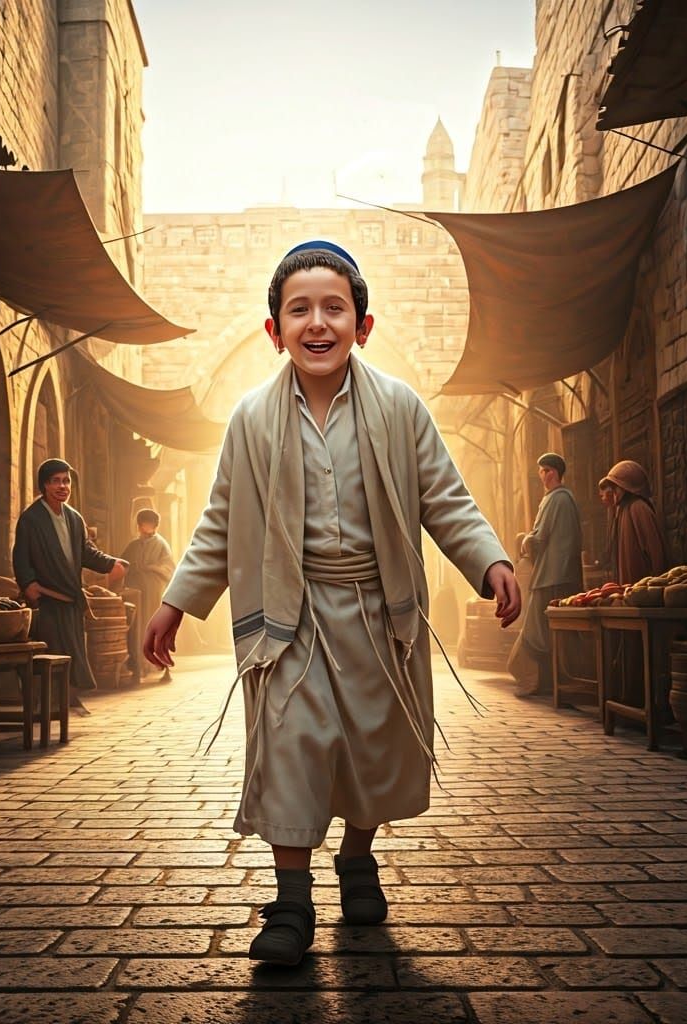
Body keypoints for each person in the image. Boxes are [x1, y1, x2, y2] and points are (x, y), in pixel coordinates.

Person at [143, 240, 520, 967]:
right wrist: (178, 601)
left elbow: (445, 498)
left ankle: (356, 855)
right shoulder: (251, 420)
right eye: (300, 309)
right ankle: (290, 900)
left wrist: (490, 559)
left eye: (333, 308)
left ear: (362, 325)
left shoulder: (400, 408)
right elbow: (220, 520)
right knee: (291, 746)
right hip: (289, 617)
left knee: (371, 753)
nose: (318, 323)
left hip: (380, 617)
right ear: (274, 329)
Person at [12, 458, 127, 715]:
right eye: (56, 481)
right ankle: (48, 704)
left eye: (66, 481)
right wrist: (28, 584)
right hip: (46, 597)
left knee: (73, 652)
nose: (62, 486)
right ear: (44, 485)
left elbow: (86, 552)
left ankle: (68, 701)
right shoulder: (31, 519)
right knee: (51, 650)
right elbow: (21, 556)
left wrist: (111, 563)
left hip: (71, 599)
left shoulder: (74, 518)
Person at [508, 453, 583, 697]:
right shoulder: (565, 499)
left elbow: (539, 538)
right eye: (541, 471)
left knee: (538, 631)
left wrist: (524, 542)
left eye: (548, 471)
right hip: (561, 575)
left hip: (551, 576)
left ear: (558, 473)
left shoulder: (556, 499)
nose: (544, 475)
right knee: (554, 632)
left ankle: (537, 682)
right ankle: (550, 683)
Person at [120, 509, 175, 681]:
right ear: (139, 525)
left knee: (157, 626)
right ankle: (138, 667)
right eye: (145, 523)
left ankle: (164, 667)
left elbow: (168, 566)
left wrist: (151, 568)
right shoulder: (133, 545)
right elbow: (123, 565)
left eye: (151, 523)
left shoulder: (161, 544)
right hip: (137, 593)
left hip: (154, 591)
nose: (148, 527)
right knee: (137, 627)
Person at [599, 460, 667, 584]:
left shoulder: (638, 508)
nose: (613, 491)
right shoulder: (620, 509)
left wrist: (658, 582)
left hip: (642, 586)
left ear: (626, 486)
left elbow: (655, 551)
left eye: (616, 486)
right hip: (629, 586)